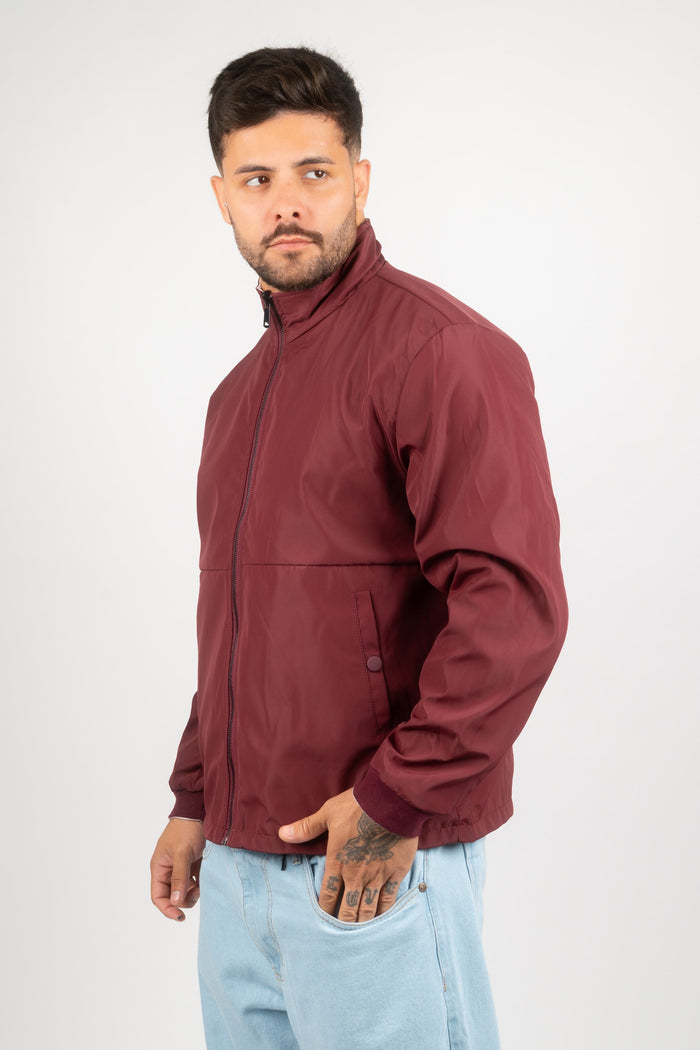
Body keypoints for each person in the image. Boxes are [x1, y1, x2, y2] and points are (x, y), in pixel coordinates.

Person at [150, 45, 568, 1050]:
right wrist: (196, 797)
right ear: (222, 197)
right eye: (257, 179)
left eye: (314, 172)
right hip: (239, 880)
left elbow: (511, 608)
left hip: (373, 859)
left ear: (361, 181)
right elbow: (239, 627)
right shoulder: (236, 398)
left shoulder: (439, 351)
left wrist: (394, 801)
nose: (287, 203)